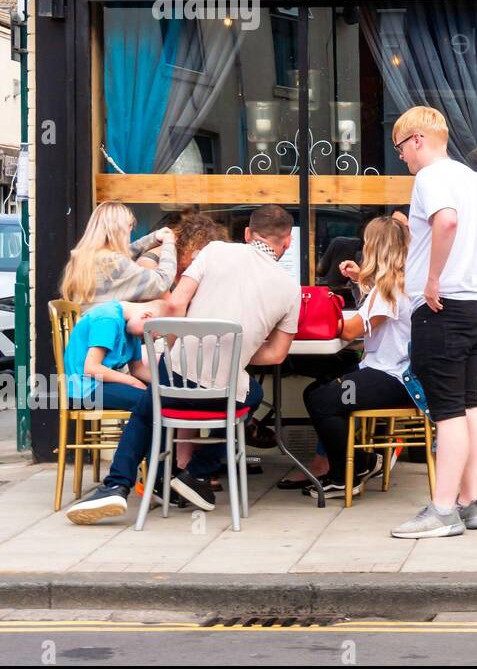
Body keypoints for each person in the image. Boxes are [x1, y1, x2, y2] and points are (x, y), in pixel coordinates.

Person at [65, 205, 301, 525]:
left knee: (148, 411)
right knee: (251, 396)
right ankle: (196, 474)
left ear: (247, 234)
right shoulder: (290, 289)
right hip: (225, 392)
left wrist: (182, 346)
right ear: (287, 243)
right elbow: (276, 355)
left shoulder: (216, 251)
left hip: (177, 377)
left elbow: (176, 303)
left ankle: (116, 485)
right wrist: (234, 353)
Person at [388, 106, 477, 540]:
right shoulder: (472, 178)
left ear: (417, 140)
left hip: (441, 307)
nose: (402, 159)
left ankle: (442, 510)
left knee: (447, 412)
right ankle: (470, 504)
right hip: (474, 305)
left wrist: (431, 278)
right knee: (469, 404)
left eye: (400, 150)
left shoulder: (430, 178)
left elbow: (445, 221)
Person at [300, 216, 413, 497]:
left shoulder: (388, 289)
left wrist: (316, 315)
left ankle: (346, 474)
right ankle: (363, 462)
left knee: (319, 398)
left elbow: (350, 331)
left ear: (374, 247)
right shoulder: (400, 281)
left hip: (392, 379)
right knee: (321, 388)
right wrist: (360, 279)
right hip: (397, 375)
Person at [59, 201, 176, 306]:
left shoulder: (82, 257)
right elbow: (162, 282)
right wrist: (169, 244)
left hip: (83, 326)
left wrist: (153, 238)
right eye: (130, 225)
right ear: (122, 228)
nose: (130, 229)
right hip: (107, 328)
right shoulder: (116, 263)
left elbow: (123, 254)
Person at [62, 299, 164, 413]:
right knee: (153, 403)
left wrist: (168, 385)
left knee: (165, 400)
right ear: (146, 316)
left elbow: (138, 369)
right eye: (148, 334)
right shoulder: (108, 319)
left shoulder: (132, 328)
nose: (148, 340)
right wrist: (133, 382)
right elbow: (91, 369)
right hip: (83, 389)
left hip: (100, 385)